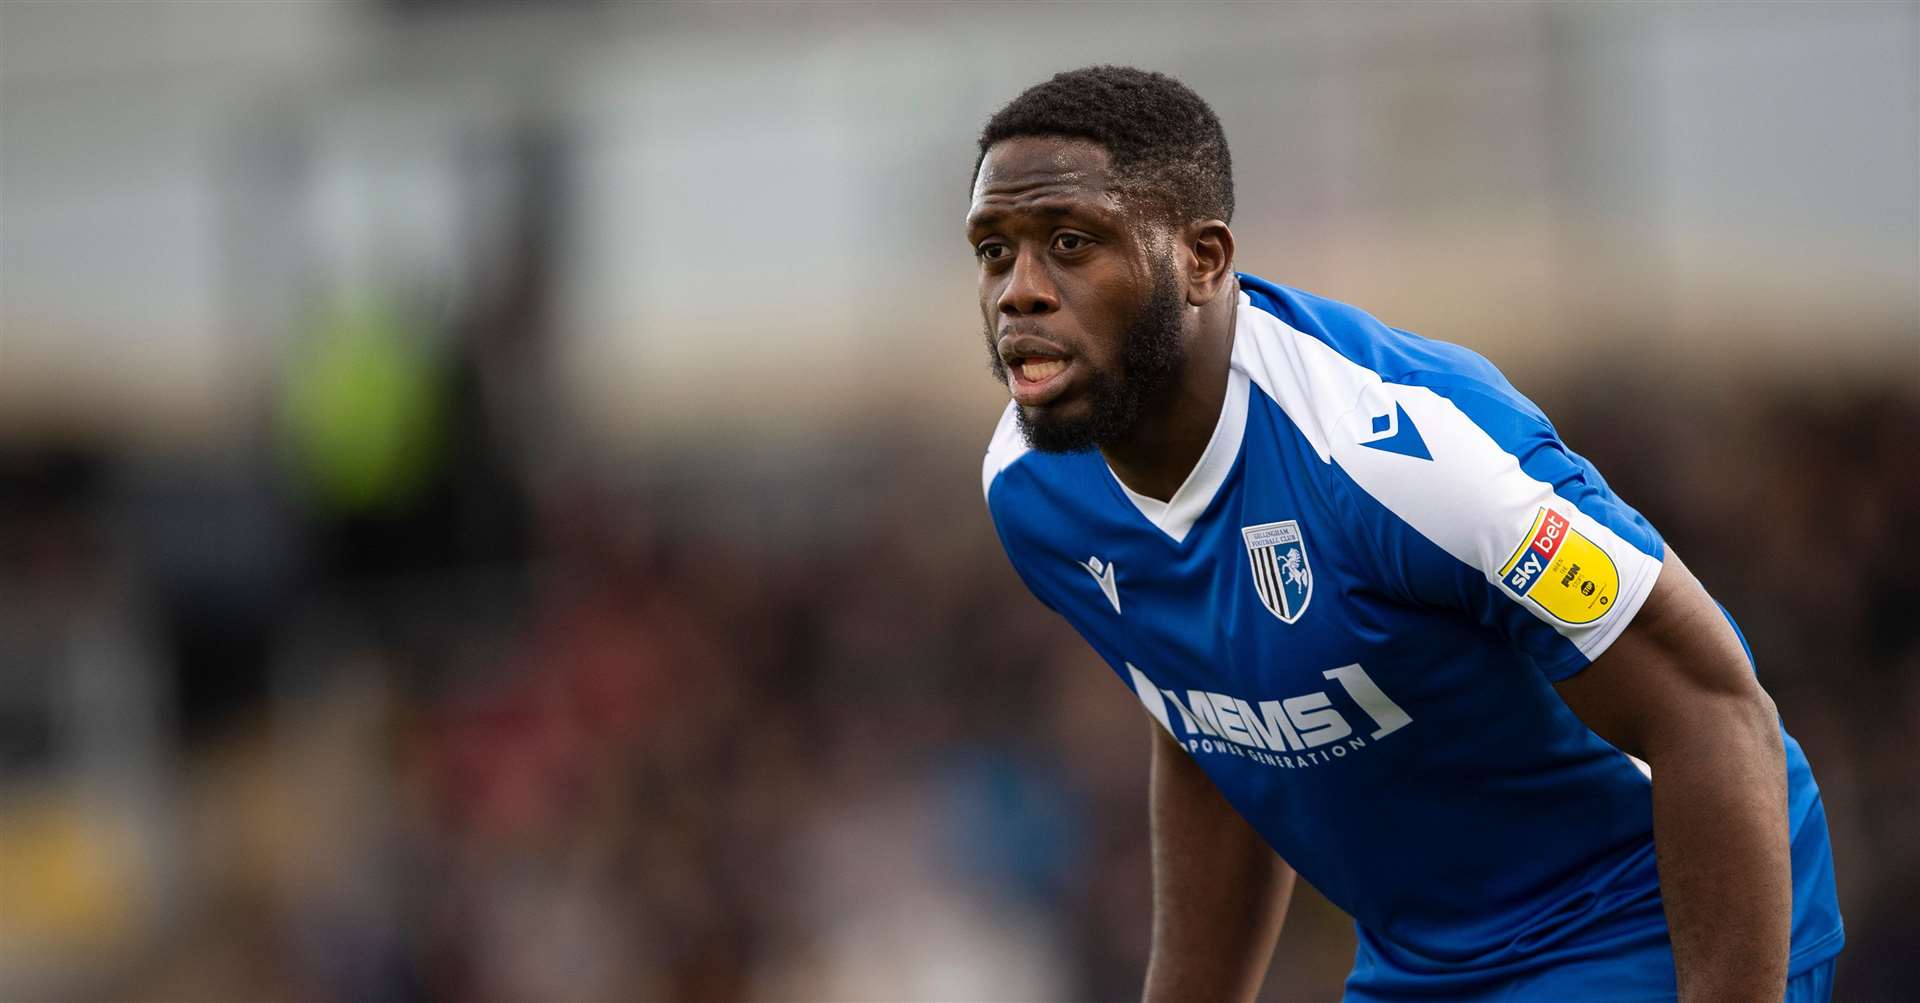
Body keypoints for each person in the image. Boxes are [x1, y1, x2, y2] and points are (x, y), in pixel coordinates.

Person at [970, 66, 1843, 1002]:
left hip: (1645, 925)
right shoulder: (1032, 489)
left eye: (1069, 243)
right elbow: (1212, 728)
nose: (1020, 291)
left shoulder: (1398, 455)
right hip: (1421, 965)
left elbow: (1713, 708)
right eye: (993, 251)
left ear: (1203, 259)